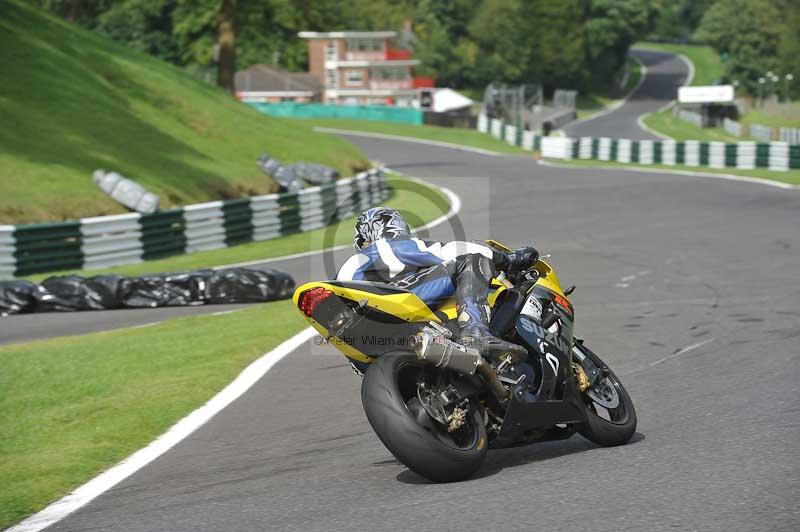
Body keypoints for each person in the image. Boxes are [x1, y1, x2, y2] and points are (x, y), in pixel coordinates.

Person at [336, 207, 538, 359]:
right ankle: (475, 333)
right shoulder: (387, 247)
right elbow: (452, 252)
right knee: (471, 261)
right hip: (392, 300)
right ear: (396, 227)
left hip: (370, 336)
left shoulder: (348, 268)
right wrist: (508, 259)